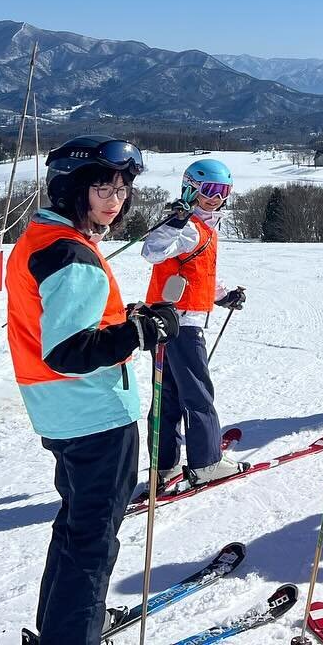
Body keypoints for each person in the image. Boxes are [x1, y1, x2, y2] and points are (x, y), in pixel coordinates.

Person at [6, 136, 180, 645]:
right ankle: (74, 633)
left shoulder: (41, 237)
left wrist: (127, 322)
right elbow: (68, 350)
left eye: (122, 189)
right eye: (101, 187)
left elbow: (60, 324)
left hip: (60, 411)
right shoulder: (71, 254)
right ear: (69, 189)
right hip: (94, 414)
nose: (114, 199)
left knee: (75, 523)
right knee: (94, 536)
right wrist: (138, 334)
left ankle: (63, 626)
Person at [139, 158, 246, 494]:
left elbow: (196, 275)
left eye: (222, 191)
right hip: (181, 324)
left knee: (168, 398)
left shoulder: (201, 228)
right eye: (208, 190)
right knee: (197, 395)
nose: (215, 197)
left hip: (168, 322)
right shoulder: (186, 226)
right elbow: (152, 250)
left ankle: (164, 467)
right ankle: (207, 463)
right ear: (191, 188)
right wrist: (174, 222)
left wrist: (224, 295)